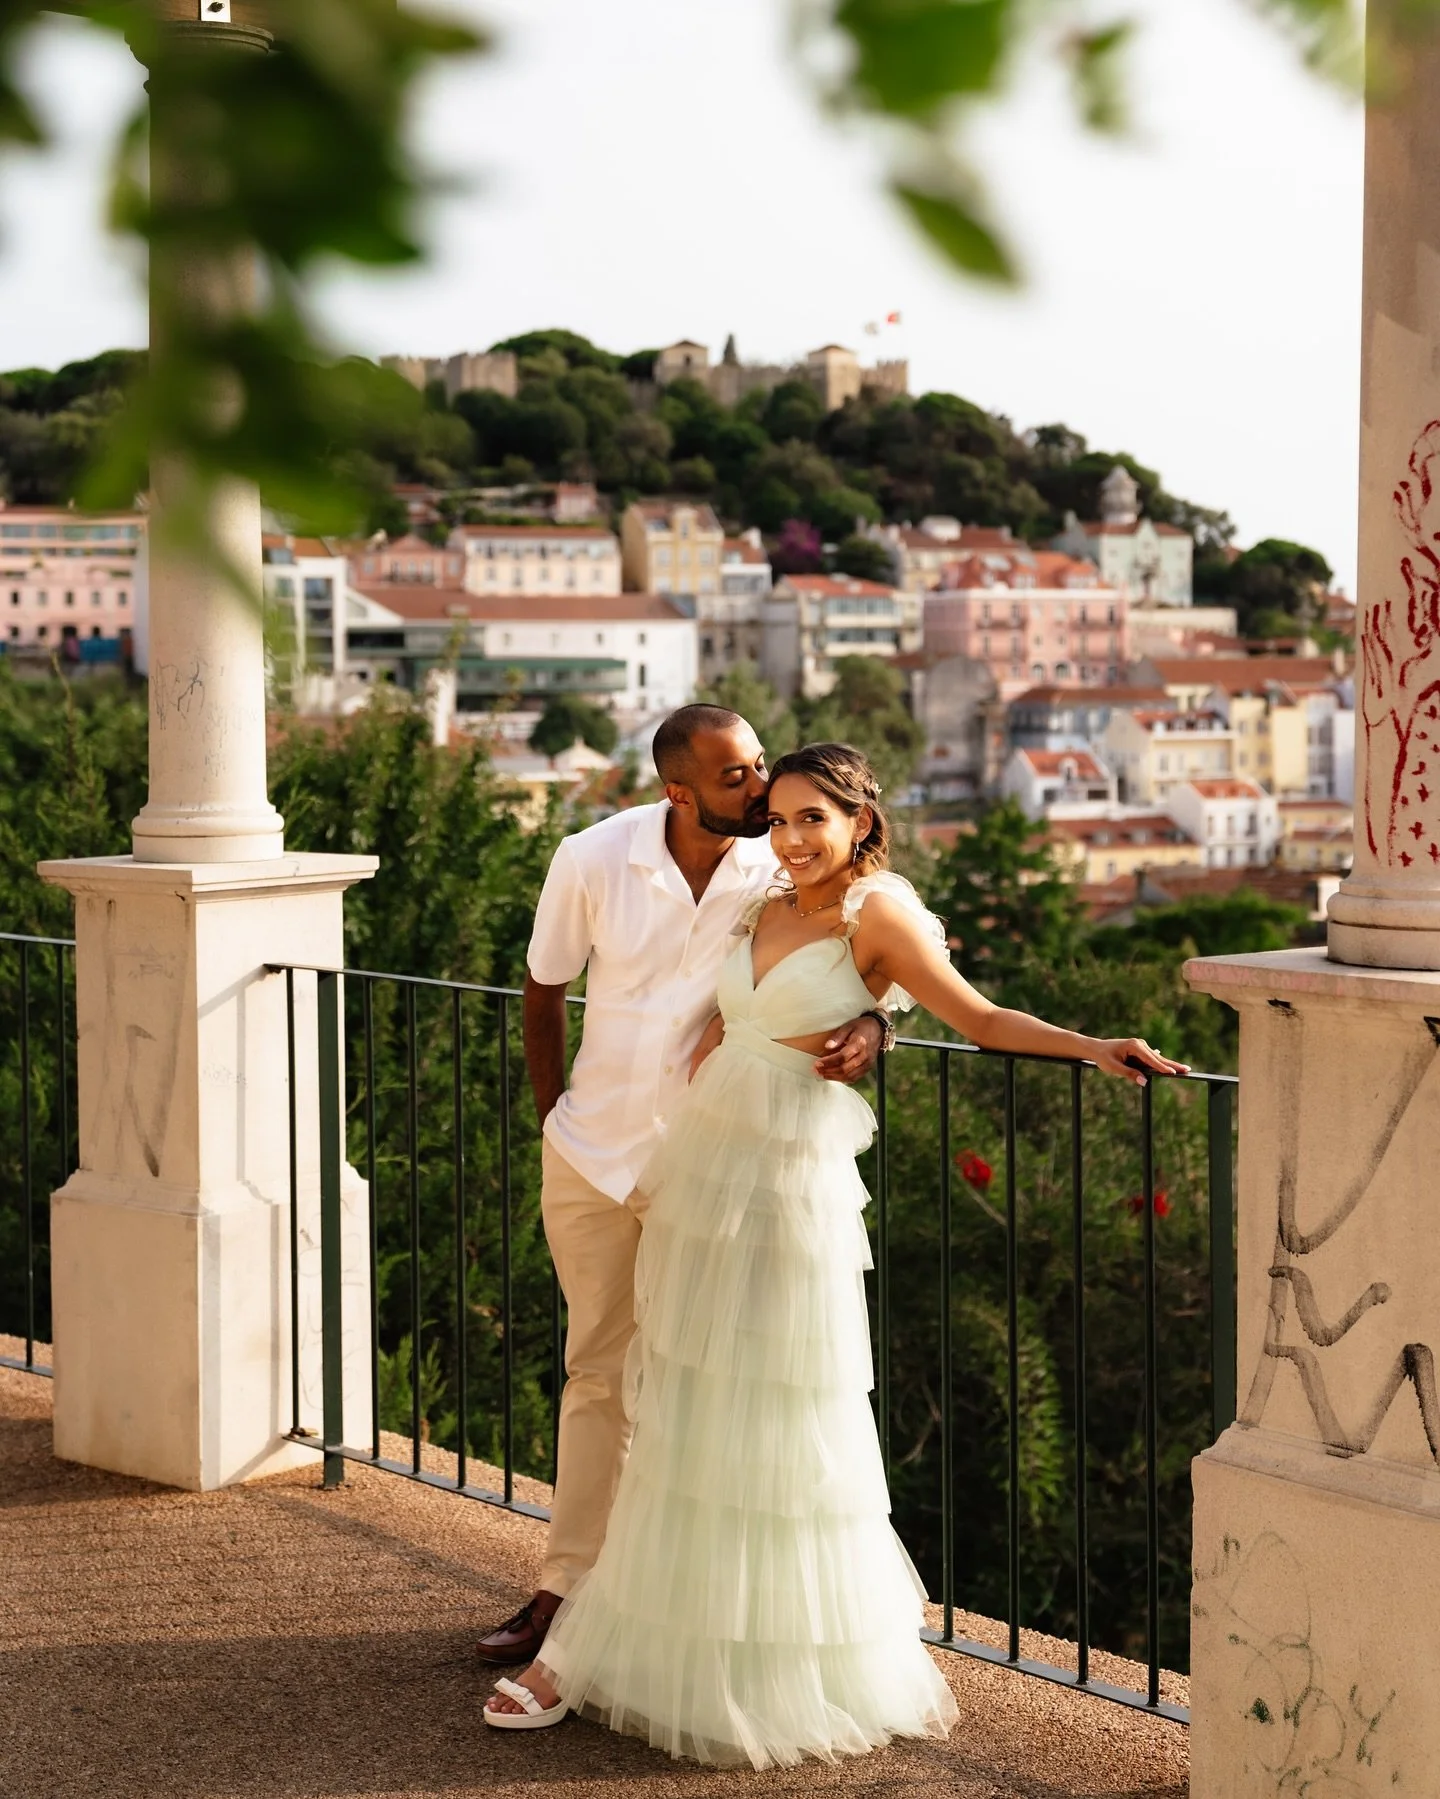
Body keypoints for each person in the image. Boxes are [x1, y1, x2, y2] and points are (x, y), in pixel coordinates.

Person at [484, 741, 1188, 1766]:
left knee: (773, 1412)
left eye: (814, 816)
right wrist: (865, 1015)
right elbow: (751, 1006)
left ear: (863, 818)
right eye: (777, 818)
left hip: (784, 1188)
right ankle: (635, 1640)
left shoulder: (879, 911)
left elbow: (974, 1010)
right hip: (702, 1174)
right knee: (682, 1407)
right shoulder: (762, 897)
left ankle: (740, 1665)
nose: (791, 836)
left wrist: (1085, 1044)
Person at [475, 709, 887, 1674]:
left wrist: (878, 1026)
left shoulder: (781, 861)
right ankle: (564, 1589)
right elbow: (542, 989)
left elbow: (868, 946)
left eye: (759, 768)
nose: (761, 790)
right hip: (591, 1156)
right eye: (738, 778)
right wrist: (553, 1118)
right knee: (598, 1375)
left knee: (705, 1386)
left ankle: (676, 1617)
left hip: (716, 1164)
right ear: (678, 791)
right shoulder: (590, 857)